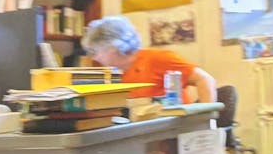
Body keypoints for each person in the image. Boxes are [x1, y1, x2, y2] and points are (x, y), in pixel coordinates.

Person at [82, 15, 217, 102]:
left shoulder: (159, 59)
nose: (95, 57)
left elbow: (204, 79)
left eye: (97, 50)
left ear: (114, 46)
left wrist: (205, 122)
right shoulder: (113, 75)